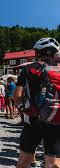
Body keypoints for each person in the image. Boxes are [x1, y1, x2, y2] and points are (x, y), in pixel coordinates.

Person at [15, 37, 60, 168]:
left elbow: (17, 96)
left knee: (25, 159)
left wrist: (23, 110)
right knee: (54, 163)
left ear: (38, 53)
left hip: (34, 120)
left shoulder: (29, 69)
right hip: (56, 119)